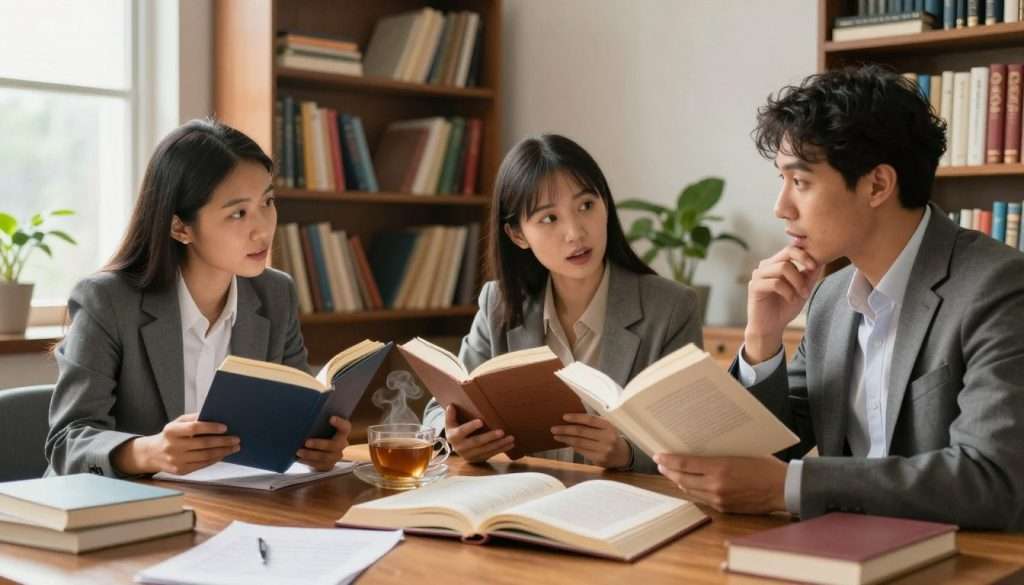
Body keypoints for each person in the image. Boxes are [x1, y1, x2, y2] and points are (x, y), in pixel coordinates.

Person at [654, 65, 1024, 530]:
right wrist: (762, 339)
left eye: (800, 182)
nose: (780, 206)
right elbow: (766, 454)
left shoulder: (998, 287)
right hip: (838, 552)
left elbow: (991, 480)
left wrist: (789, 487)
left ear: (877, 185)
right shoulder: (830, 298)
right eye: (781, 180)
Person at [45, 119, 350, 477]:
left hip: (233, 502)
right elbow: (67, 441)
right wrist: (149, 452)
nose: (263, 227)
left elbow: (295, 413)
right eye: (238, 212)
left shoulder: (275, 294)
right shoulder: (107, 301)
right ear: (181, 227)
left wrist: (316, 444)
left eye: (267, 201)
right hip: (128, 508)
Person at [423, 134, 702, 472]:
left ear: (606, 206)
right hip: (526, 503)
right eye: (549, 218)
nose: (575, 233)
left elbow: (693, 442)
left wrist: (627, 454)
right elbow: (441, 410)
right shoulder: (499, 304)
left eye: (586, 206)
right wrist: (454, 435)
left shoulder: (671, 308)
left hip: (622, 509)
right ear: (517, 235)